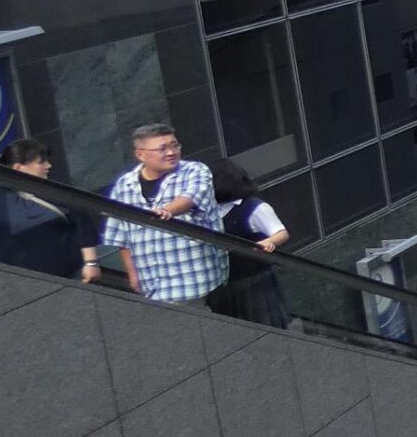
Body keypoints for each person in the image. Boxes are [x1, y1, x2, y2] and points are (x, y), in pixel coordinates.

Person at [101, 124, 224, 304]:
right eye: (162, 148)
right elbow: (121, 236)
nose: (171, 152)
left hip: (194, 279)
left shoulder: (195, 170)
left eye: (174, 145)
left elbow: (191, 197)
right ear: (140, 154)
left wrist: (167, 211)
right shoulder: (124, 185)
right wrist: (133, 274)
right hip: (152, 283)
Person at [0, 139, 101, 284]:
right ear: (19, 168)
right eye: (41, 162)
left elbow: (81, 222)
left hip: (73, 275)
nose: (48, 166)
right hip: (25, 283)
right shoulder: (0, 200)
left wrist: (91, 263)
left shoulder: (55, 193)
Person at [205, 161, 291, 326]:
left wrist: (266, 243)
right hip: (225, 282)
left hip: (254, 278)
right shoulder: (210, 210)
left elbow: (281, 233)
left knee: (265, 324)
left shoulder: (254, 207)